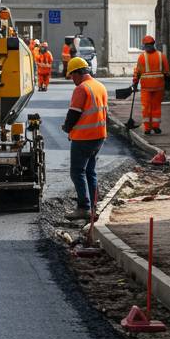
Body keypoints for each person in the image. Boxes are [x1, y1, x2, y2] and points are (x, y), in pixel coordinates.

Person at [62, 56, 108, 218]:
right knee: (90, 171)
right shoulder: (100, 86)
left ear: (78, 73)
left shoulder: (81, 89)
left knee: (77, 172)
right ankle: (94, 207)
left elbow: (74, 113)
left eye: (72, 76)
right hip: (99, 136)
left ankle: (84, 207)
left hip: (84, 137)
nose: (72, 79)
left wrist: (67, 128)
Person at [133, 35, 170, 134]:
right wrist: (167, 84)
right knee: (156, 107)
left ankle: (147, 128)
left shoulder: (142, 57)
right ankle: (155, 126)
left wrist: (135, 83)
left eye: (148, 45)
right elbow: (167, 71)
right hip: (159, 87)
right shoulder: (161, 56)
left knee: (146, 108)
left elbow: (137, 72)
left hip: (146, 88)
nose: (148, 47)